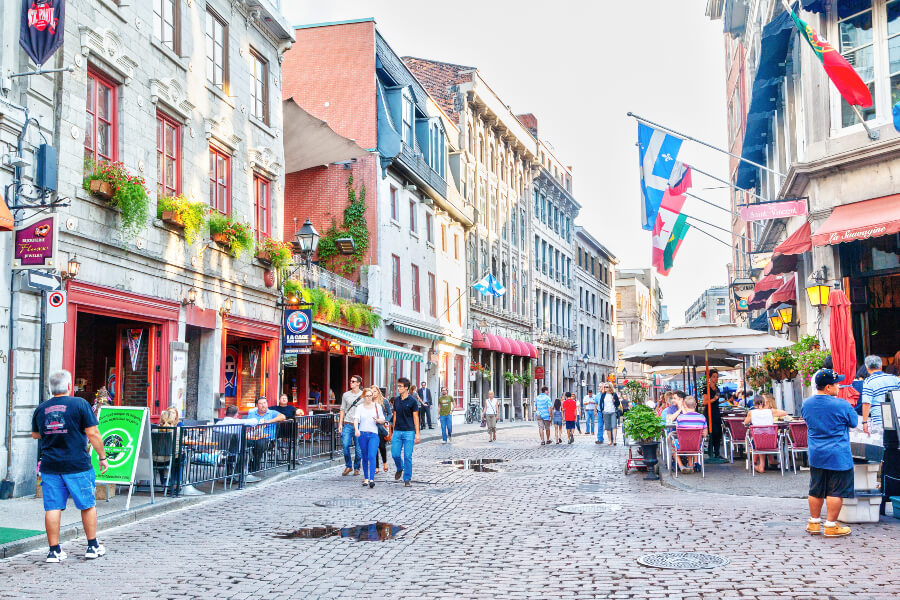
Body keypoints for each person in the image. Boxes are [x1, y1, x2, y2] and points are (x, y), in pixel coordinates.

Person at [31, 370, 109, 563]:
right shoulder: (80, 404)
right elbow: (93, 434)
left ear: (51, 388)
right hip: (77, 464)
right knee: (87, 504)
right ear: (68, 386)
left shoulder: (41, 409)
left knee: (52, 507)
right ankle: (92, 546)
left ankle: (54, 551)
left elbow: (35, 435)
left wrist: (55, 433)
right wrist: (102, 456)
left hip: (50, 465)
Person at [801, 369, 858, 537]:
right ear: (827, 387)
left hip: (816, 453)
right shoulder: (841, 404)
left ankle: (814, 522)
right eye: (836, 384)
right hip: (837, 454)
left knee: (816, 488)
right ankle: (831, 525)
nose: (839, 386)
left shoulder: (807, 404)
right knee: (836, 490)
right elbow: (854, 422)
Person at [743, 395, 788, 473]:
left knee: (760, 438)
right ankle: (764, 465)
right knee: (765, 437)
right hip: (772, 441)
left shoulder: (751, 413)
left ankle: (761, 466)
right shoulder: (770, 411)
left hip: (758, 442)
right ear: (764, 403)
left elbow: (745, 422)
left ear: (754, 403)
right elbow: (784, 413)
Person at [861, 355, 900, 442]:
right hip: (897, 418)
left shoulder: (868, 382)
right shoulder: (894, 379)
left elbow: (866, 403)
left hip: (879, 420)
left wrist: (864, 422)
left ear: (867, 368)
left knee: (882, 446)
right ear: (881, 366)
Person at [354, 387, 386, 489]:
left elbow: (383, 420)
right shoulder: (359, 407)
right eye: (366, 396)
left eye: (370, 396)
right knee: (365, 456)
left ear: (372, 396)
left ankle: (372, 479)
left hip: (373, 434)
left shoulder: (377, 406)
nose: (368, 398)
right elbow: (356, 419)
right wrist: (356, 430)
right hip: (362, 434)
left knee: (372, 455)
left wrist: (378, 420)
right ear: (363, 396)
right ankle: (366, 478)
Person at [391, 378, 420, 487]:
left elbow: (416, 417)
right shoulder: (396, 400)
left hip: (409, 432)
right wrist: (393, 431)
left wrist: (417, 433)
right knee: (395, 454)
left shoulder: (413, 401)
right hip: (397, 432)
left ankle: (407, 479)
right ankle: (399, 467)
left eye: (400, 386)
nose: (398, 388)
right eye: (398, 386)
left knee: (408, 456)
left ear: (406, 388)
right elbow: (395, 415)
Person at [338, 375, 364, 477]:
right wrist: (340, 423)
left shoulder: (363, 395)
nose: (351, 383)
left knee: (358, 449)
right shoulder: (346, 395)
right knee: (345, 445)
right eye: (350, 381)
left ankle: (357, 467)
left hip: (360, 425)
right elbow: (342, 409)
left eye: (353, 381)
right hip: (348, 424)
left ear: (358, 383)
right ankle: (348, 466)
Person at [674, 396, 707, 473]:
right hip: (697, 445)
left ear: (684, 405)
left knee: (673, 445)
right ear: (695, 405)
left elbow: (678, 432)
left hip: (683, 444)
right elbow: (705, 434)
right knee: (692, 441)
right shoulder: (702, 417)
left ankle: (681, 466)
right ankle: (691, 464)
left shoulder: (680, 418)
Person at [702, 369, 724, 460]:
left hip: (716, 411)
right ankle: (712, 451)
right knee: (712, 431)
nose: (716, 379)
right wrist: (714, 399)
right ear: (710, 378)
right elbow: (705, 402)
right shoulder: (706, 389)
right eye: (714, 377)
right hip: (709, 412)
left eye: (717, 377)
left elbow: (716, 402)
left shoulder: (717, 389)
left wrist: (725, 401)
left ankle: (717, 452)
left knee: (718, 432)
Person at [371, 387, 393, 473]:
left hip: (381, 426)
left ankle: (385, 462)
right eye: (372, 392)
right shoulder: (370, 402)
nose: (374, 393)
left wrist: (386, 421)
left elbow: (389, 413)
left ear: (378, 391)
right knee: (374, 447)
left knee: (382, 446)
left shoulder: (384, 401)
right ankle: (376, 467)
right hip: (372, 426)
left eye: (375, 391)